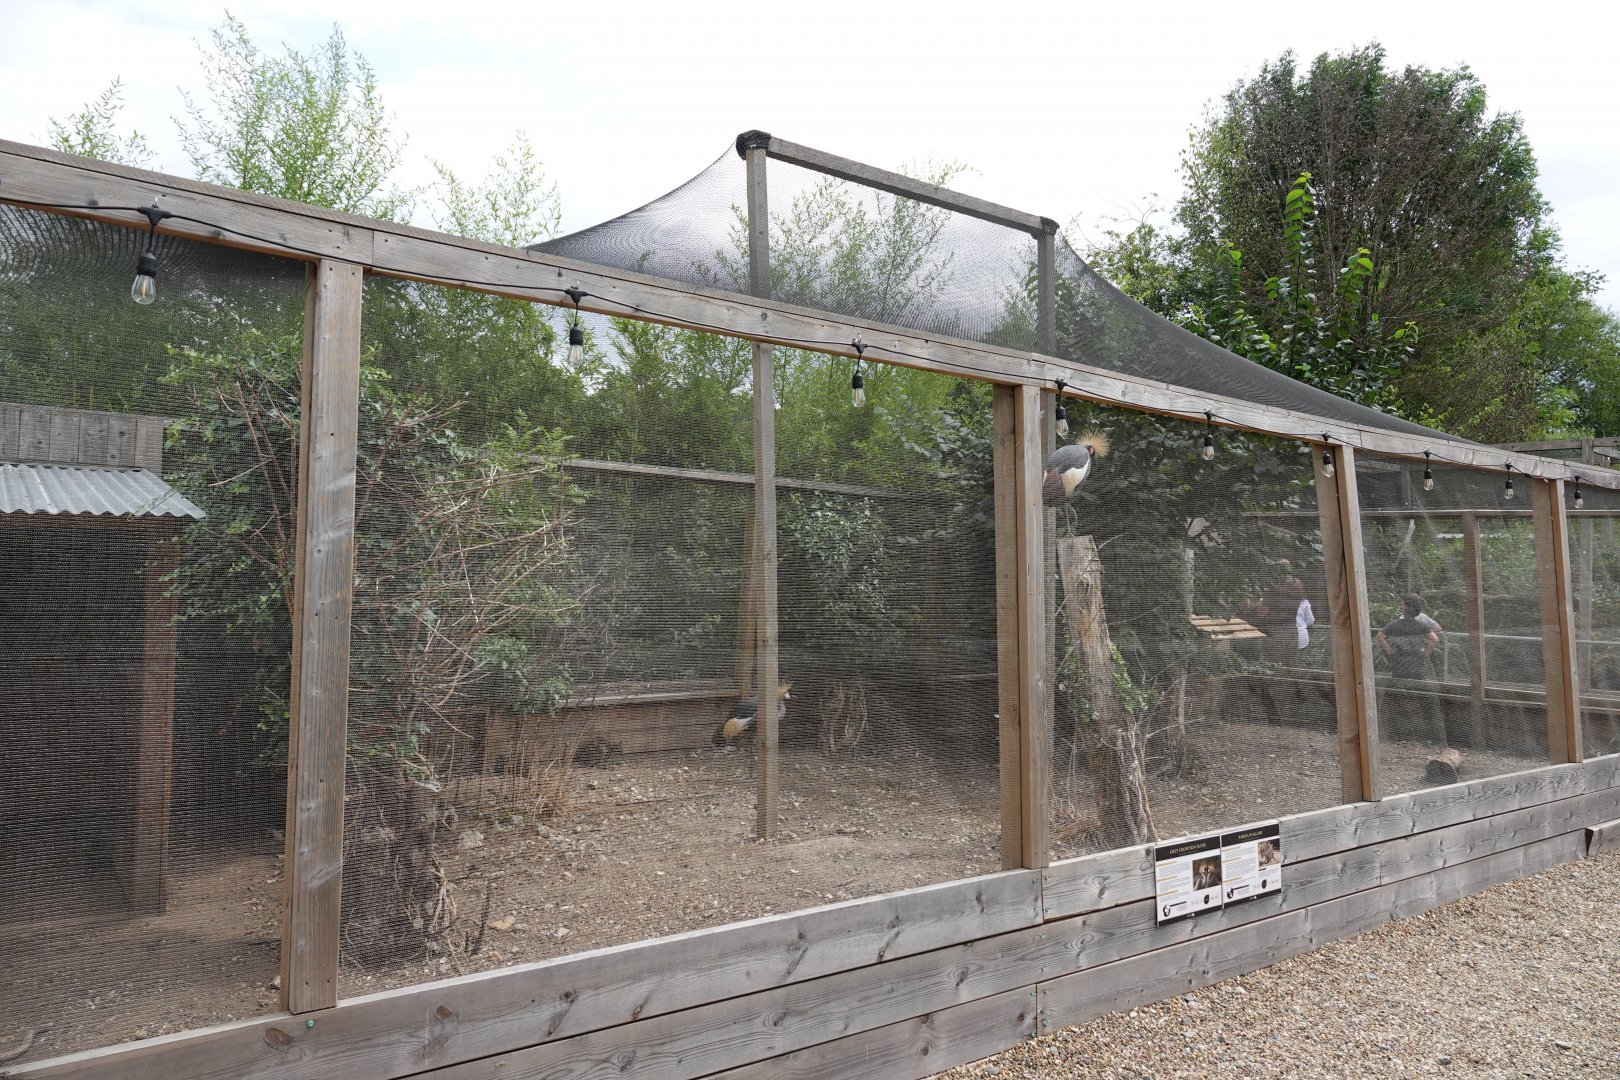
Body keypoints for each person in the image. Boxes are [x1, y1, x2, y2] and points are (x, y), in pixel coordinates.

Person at [1375, 594, 1447, 746]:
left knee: (1396, 697)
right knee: (1420, 697)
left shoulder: (1395, 625)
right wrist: (1425, 651)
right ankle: (1425, 735)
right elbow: (1435, 639)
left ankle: (1395, 732)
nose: (1401, 606)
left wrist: (1389, 650)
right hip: (1418, 667)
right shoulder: (1421, 625)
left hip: (1400, 666)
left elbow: (1380, 636)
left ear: (1406, 608)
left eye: (1402, 604)